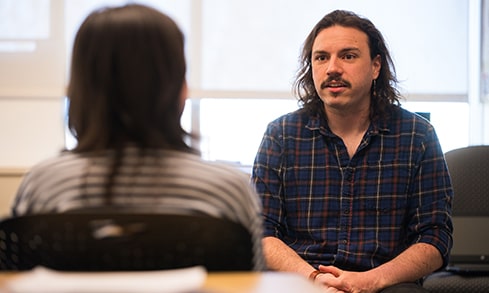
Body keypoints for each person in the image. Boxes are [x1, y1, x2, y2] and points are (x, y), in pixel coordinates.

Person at [11, 4, 264, 270]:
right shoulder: (228, 191)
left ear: (80, 90)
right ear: (179, 88)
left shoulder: (42, 187)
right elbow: (249, 284)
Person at [251, 9, 453, 292]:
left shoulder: (418, 136)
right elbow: (262, 232)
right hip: (302, 279)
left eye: (348, 55)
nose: (332, 68)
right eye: (321, 57)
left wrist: (371, 280)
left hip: (385, 284)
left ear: (375, 66)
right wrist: (313, 278)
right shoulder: (281, 135)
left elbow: (435, 237)